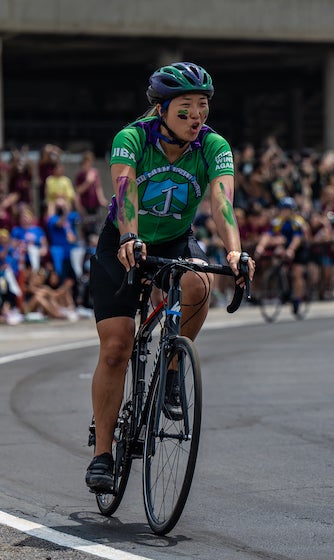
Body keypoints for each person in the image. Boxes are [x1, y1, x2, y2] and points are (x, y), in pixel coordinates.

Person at [84, 61, 254, 493]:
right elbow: (125, 192)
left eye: (202, 106)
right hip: (123, 240)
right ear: (161, 108)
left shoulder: (213, 146)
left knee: (200, 281)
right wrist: (128, 236)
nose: (197, 116)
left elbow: (222, 202)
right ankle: (103, 453)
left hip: (176, 238)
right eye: (186, 108)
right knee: (116, 348)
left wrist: (234, 249)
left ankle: (174, 364)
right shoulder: (132, 138)